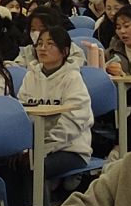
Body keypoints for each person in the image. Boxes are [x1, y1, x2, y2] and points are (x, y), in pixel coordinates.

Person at [19, 31, 94, 197]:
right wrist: (24, 148)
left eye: (50, 44)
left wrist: (43, 148)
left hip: (71, 149)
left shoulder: (73, 78)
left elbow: (74, 122)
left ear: (64, 51)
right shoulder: (30, 76)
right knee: (11, 166)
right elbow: (21, 116)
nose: (42, 48)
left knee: (35, 167)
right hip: (35, 148)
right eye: (39, 44)